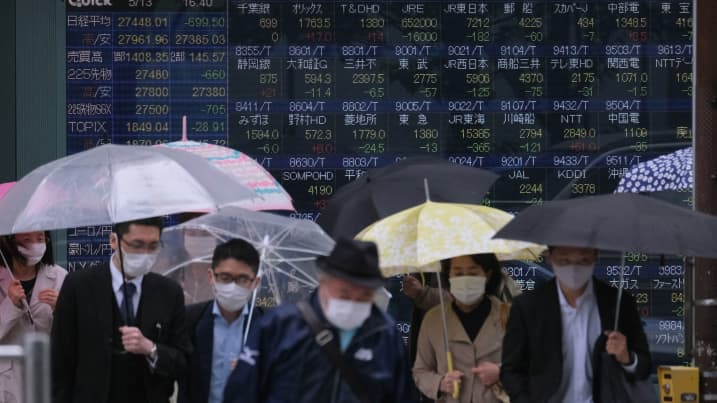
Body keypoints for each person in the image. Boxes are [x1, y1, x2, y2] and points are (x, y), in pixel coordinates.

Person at [223, 238, 414, 403]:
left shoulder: (385, 335)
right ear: (323, 281)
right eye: (344, 294)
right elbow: (241, 393)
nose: (353, 303)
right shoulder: (279, 325)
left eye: (364, 296)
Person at [51, 217, 191, 403]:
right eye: (137, 245)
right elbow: (59, 358)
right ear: (114, 241)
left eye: (153, 246)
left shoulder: (169, 293)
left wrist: (151, 349)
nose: (145, 253)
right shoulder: (79, 286)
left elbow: (182, 360)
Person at [500, 246, 652, 403]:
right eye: (564, 260)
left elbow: (645, 366)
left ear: (595, 256)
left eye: (583, 260)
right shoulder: (528, 306)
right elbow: (511, 370)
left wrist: (626, 357)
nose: (573, 268)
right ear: (549, 257)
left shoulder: (619, 303)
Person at [413, 254, 507, 403]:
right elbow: (420, 371)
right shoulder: (433, 319)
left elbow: (530, 366)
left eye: (473, 273)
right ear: (448, 275)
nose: (465, 279)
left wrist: (501, 373)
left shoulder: (508, 315)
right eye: (458, 273)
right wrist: (441, 383)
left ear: (487, 275)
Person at [179, 238, 261, 403]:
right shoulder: (191, 319)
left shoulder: (267, 326)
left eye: (242, 279)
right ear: (211, 276)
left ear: (255, 283)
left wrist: (257, 371)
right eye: (225, 277)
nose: (233, 286)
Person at [0, 231, 66, 403]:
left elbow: (74, 332)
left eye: (40, 239)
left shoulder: (59, 276)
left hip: (49, 372)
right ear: (10, 242)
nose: (35, 245)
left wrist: (60, 308)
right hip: (8, 378)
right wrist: (11, 303)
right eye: (27, 239)